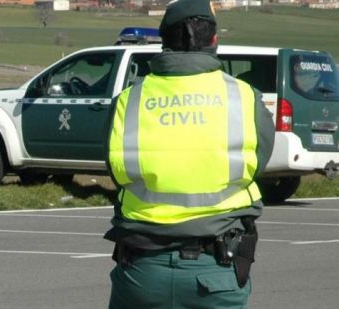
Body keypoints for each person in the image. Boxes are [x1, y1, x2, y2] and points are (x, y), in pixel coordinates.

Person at [105, 0, 275, 308]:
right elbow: (256, 166)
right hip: (217, 269)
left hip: (142, 271)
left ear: (163, 41)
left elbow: (117, 170)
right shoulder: (244, 98)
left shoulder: (129, 100)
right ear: (214, 40)